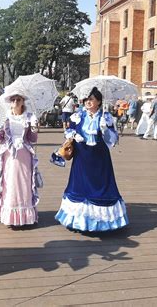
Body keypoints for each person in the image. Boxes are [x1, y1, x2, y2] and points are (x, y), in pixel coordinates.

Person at [55, 87, 128, 232]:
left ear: (99, 101)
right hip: (82, 155)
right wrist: (74, 136)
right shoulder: (78, 115)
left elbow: (113, 140)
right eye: (86, 99)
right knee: (80, 184)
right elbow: (69, 130)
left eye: (91, 99)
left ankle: (102, 222)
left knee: (100, 184)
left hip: (100, 156)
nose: (88, 102)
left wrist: (105, 130)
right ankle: (79, 221)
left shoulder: (106, 117)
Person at [0, 88, 40, 226]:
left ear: (23, 102)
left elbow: (32, 139)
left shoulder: (29, 117)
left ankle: (25, 216)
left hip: (24, 154)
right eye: (13, 99)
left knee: (24, 183)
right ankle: (9, 216)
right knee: (8, 183)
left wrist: (34, 129)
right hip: (8, 155)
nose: (15, 101)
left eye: (18, 99)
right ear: (9, 102)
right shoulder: (4, 117)